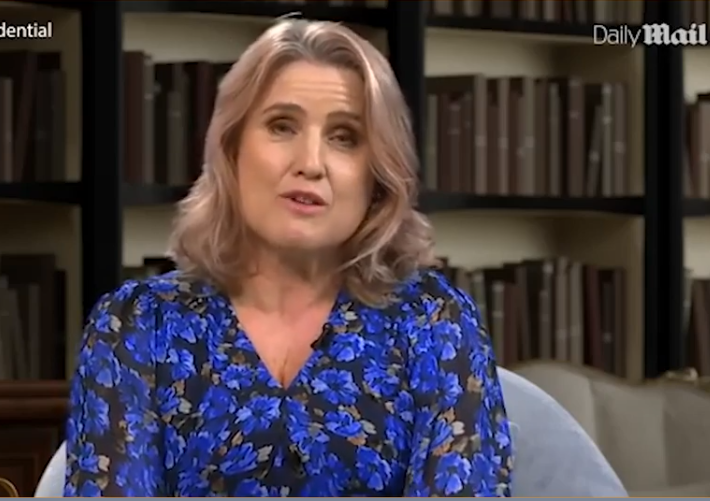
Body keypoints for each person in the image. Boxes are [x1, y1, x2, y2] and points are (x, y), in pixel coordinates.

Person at [65, 18, 513, 497]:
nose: (311, 162)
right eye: (282, 126)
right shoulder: (136, 327)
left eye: (344, 137)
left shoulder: (434, 325)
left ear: (378, 175)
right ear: (231, 149)